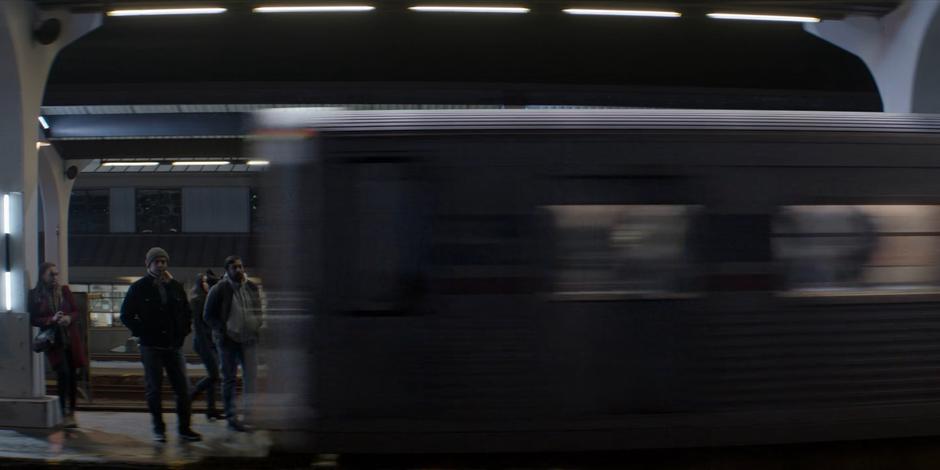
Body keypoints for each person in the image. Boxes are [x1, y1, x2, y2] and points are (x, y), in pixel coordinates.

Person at [119, 247, 202, 443]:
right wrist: (142, 332)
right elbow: (126, 315)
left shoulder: (175, 286)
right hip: (151, 347)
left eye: (164, 261)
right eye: (157, 261)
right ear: (148, 264)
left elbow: (185, 311)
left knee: (182, 389)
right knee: (154, 390)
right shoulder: (138, 288)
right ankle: (159, 429)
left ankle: (184, 429)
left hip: (173, 346)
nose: (161, 265)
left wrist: (183, 331)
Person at [204, 255, 263, 432]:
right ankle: (231, 418)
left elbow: (258, 310)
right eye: (234, 267)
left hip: (249, 340)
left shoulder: (251, 287)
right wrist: (221, 330)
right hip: (228, 341)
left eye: (240, 266)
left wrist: (257, 323)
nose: (238, 270)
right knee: (229, 379)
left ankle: (249, 416)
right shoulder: (219, 289)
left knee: (251, 379)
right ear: (227, 271)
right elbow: (207, 315)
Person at [28, 262, 88, 428]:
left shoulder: (65, 291)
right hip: (53, 341)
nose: (55, 277)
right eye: (51, 274)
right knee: (63, 374)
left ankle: (71, 413)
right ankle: (63, 413)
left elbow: (75, 311)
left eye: (56, 274)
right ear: (42, 276)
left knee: (73, 375)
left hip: (69, 338)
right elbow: (33, 318)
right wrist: (50, 320)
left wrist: (68, 318)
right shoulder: (35, 295)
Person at [189, 270, 224, 420]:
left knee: (213, 376)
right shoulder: (197, 300)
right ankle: (190, 396)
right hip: (203, 342)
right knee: (214, 375)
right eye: (205, 282)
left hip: (211, 343)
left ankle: (211, 410)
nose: (208, 285)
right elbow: (198, 327)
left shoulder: (209, 298)